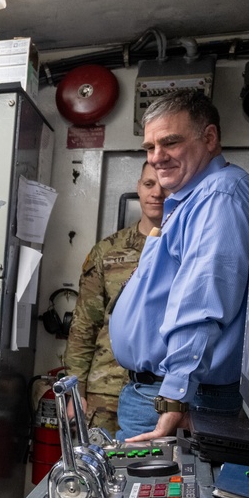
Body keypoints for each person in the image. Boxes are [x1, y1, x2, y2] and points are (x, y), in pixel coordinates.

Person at [109, 90, 249, 442]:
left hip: (179, 400)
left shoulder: (218, 197)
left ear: (209, 138)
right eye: (149, 148)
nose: (157, 158)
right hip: (164, 393)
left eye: (170, 143)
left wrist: (173, 398)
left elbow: (202, 305)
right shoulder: (194, 199)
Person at [62, 163, 166, 435]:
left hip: (159, 395)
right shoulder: (108, 251)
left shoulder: (185, 247)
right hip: (104, 392)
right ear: (138, 188)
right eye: (148, 184)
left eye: (164, 185)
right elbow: (84, 326)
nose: (157, 193)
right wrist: (75, 391)